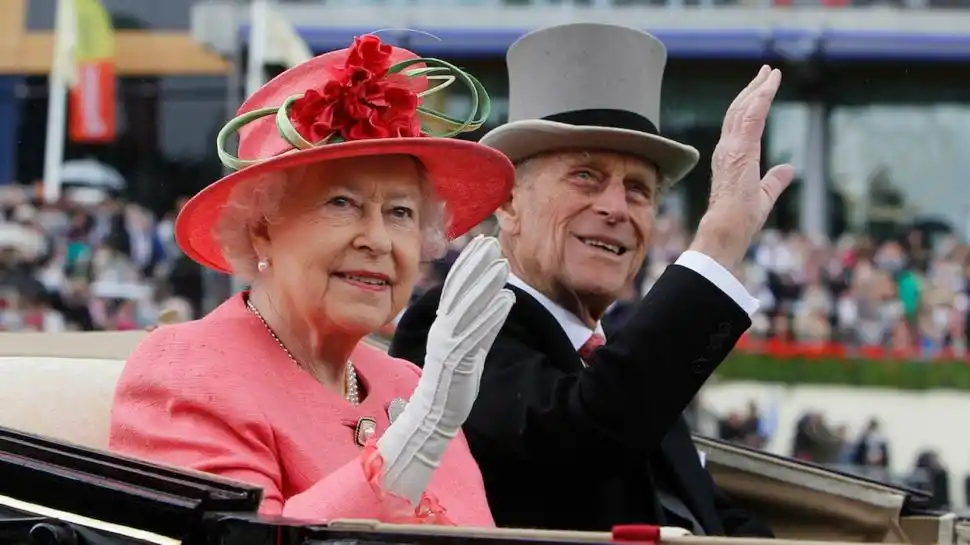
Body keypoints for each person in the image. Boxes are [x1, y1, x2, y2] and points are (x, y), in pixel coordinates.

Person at [390, 23, 793, 533]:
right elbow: (582, 439)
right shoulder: (453, 325)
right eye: (586, 176)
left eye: (638, 190)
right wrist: (717, 247)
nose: (615, 208)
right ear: (509, 202)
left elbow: (707, 515)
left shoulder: (617, 362)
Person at [109, 35, 518, 526]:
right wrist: (417, 436)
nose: (379, 240)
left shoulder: (407, 383)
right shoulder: (186, 368)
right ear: (262, 229)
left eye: (401, 212)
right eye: (342, 203)